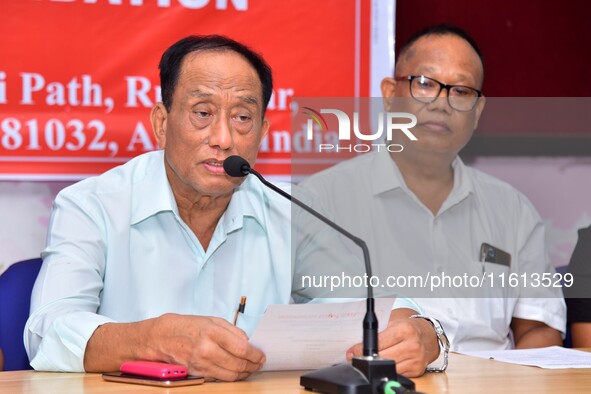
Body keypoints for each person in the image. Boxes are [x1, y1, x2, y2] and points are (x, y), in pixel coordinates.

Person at [25, 35, 439, 381]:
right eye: (202, 113)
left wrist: (423, 333)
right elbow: (46, 332)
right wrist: (152, 339)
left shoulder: (290, 210)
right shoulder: (91, 205)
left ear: (262, 131)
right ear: (161, 122)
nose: (223, 138)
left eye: (242, 117)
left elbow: (366, 305)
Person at [300, 24, 566, 352]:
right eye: (425, 84)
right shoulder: (322, 201)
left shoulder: (513, 210)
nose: (443, 103)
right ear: (388, 94)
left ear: (478, 111)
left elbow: (539, 330)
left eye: (461, 91)